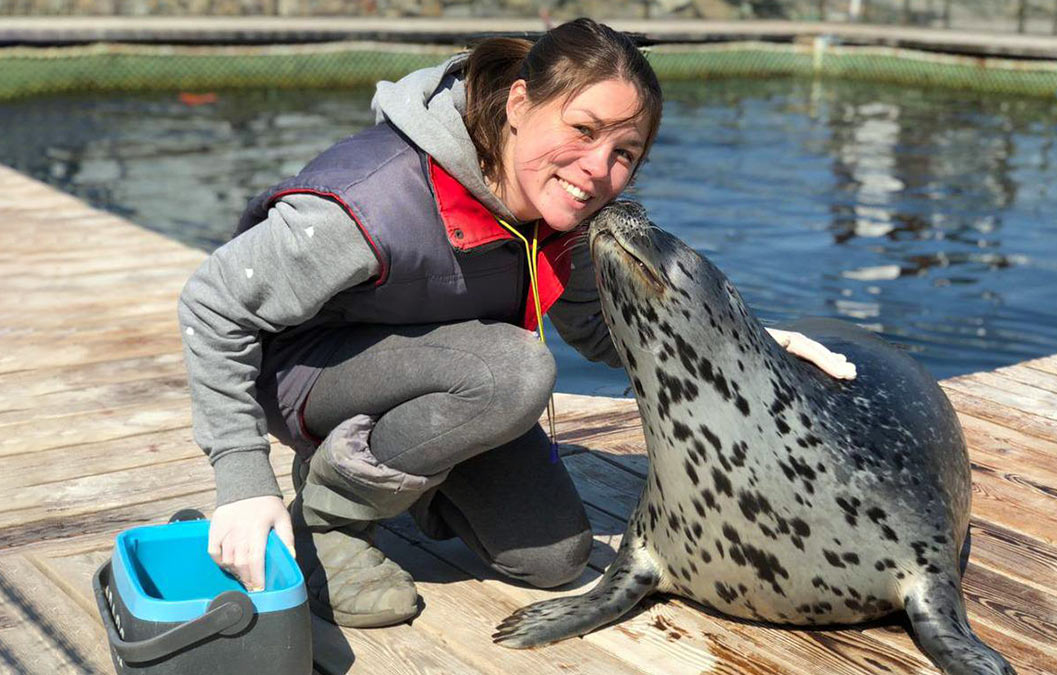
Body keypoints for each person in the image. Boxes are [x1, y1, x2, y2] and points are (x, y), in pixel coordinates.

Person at [178, 17, 855, 629]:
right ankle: (330, 515)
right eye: (583, 130)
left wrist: (744, 346)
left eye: (626, 153)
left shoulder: (562, 209)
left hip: (451, 380)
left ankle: (407, 469)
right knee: (518, 369)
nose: (598, 171)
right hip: (309, 374)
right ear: (520, 103)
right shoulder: (373, 201)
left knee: (556, 556)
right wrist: (241, 480)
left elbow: (598, 331)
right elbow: (213, 303)